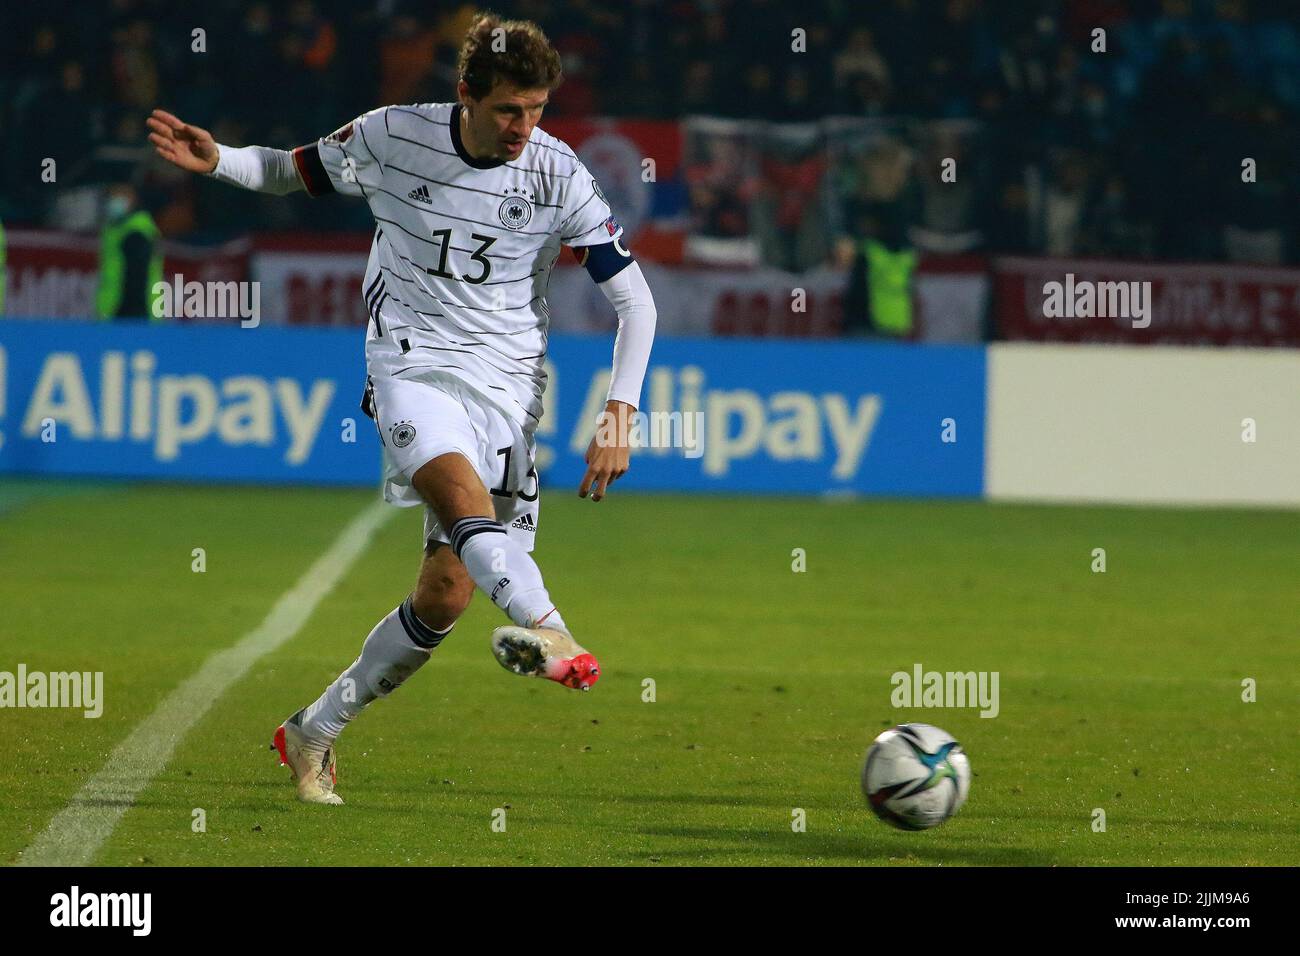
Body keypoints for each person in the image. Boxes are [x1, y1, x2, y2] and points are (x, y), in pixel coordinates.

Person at [147, 13, 657, 805]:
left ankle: (313, 730)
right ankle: (556, 632)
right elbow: (288, 170)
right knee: (462, 507)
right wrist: (219, 161)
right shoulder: (390, 136)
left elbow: (637, 303)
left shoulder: (559, 174)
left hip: (511, 392)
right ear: (465, 96)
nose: (523, 127)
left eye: (537, 110)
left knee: (448, 593)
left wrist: (621, 408)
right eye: (507, 111)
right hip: (410, 366)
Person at [96, 183, 164, 321]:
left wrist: (126, 314)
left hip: (131, 314)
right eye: (112, 196)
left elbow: (137, 278)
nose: (113, 201)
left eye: (119, 196)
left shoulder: (135, 233)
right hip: (120, 311)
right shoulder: (118, 229)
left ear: (132, 199)